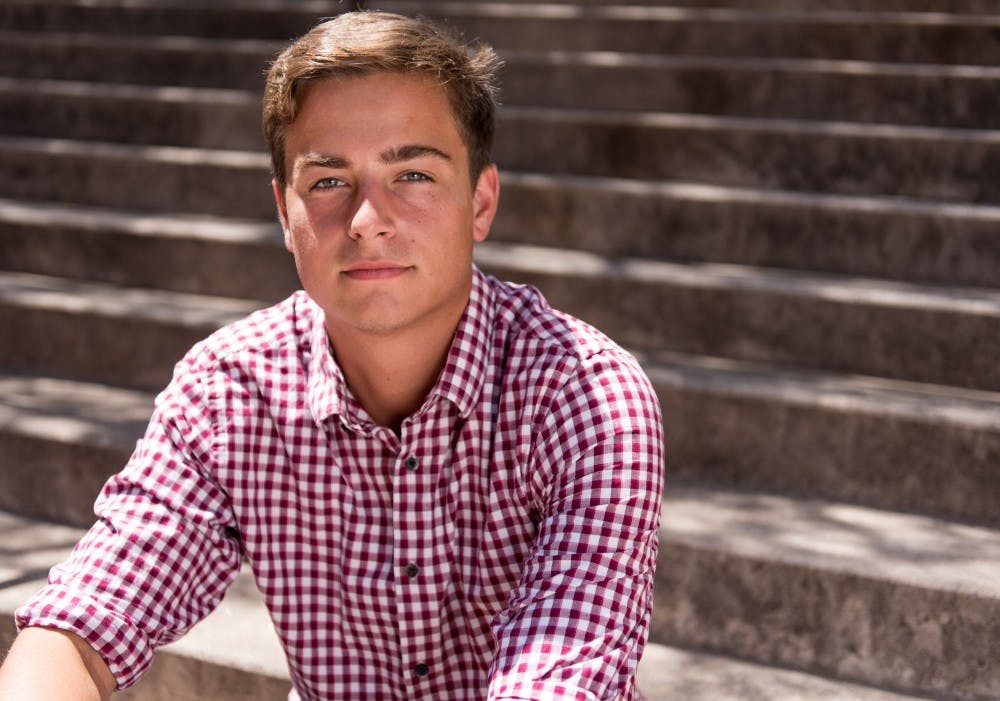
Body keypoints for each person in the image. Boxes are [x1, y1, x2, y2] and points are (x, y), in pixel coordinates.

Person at [0, 11, 664, 700]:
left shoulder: (587, 397)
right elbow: (81, 623)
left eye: (413, 174)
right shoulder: (230, 392)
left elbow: (558, 683)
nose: (368, 219)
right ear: (284, 213)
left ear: (481, 202)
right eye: (327, 181)